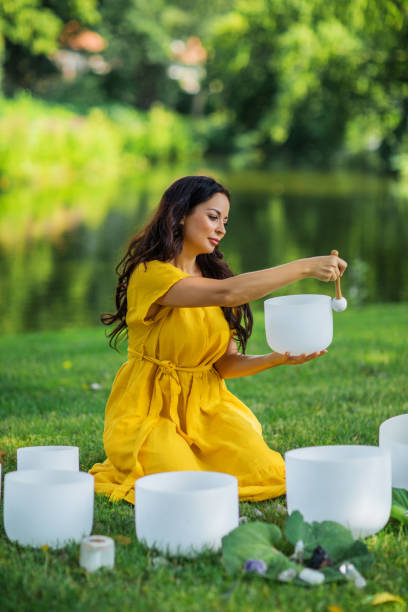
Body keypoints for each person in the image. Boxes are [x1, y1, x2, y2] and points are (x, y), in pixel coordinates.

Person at [89, 175, 347, 504]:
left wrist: (275, 358)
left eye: (225, 221)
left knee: (264, 469)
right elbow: (229, 293)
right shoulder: (150, 274)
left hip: (207, 409)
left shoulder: (213, 277)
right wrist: (304, 267)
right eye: (213, 217)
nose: (221, 229)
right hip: (149, 411)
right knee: (184, 484)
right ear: (180, 214)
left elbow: (222, 364)